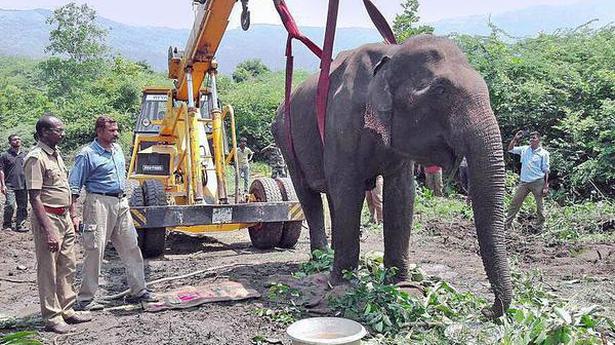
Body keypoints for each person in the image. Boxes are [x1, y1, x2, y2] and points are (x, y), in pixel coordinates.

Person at [69, 115, 156, 311]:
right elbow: (74, 187)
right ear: (99, 132)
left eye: (117, 130)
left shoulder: (116, 149)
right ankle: (85, 298)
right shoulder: (87, 154)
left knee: (131, 247)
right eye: (112, 131)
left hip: (121, 202)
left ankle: (139, 290)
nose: (116, 134)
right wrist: (73, 215)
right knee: (95, 249)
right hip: (99, 203)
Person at [24, 114, 91, 333]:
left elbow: (64, 189)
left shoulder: (56, 155)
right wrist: (49, 230)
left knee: (68, 265)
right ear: (44, 132)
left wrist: (72, 214)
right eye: (58, 130)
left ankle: (67, 309)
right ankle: (52, 317)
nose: (62, 134)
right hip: (49, 219)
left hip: (63, 217)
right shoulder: (36, 158)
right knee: (48, 269)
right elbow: (34, 197)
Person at [505, 130, 550, 230]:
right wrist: (515, 139)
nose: (531, 139)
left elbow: (546, 170)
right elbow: (510, 149)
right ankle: (507, 224)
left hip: (538, 181)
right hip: (524, 182)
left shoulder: (544, 153)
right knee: (515, 202)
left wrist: (546, 186)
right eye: (530, 138)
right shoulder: (524, 149)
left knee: (540, 205)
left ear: (539, 139)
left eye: (534, 138)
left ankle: (539, 226)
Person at [1, 134, 29, 232]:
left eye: (18, 139)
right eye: (14, 139)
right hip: (9, 185)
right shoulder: (5, 155)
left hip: (23, 184)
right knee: (10, 205)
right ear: (10, 142)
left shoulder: (25, 155)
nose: (17, 141)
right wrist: (2, 185)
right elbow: (1, 171)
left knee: (23, 206)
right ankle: (7, 225)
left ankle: (20, 225)